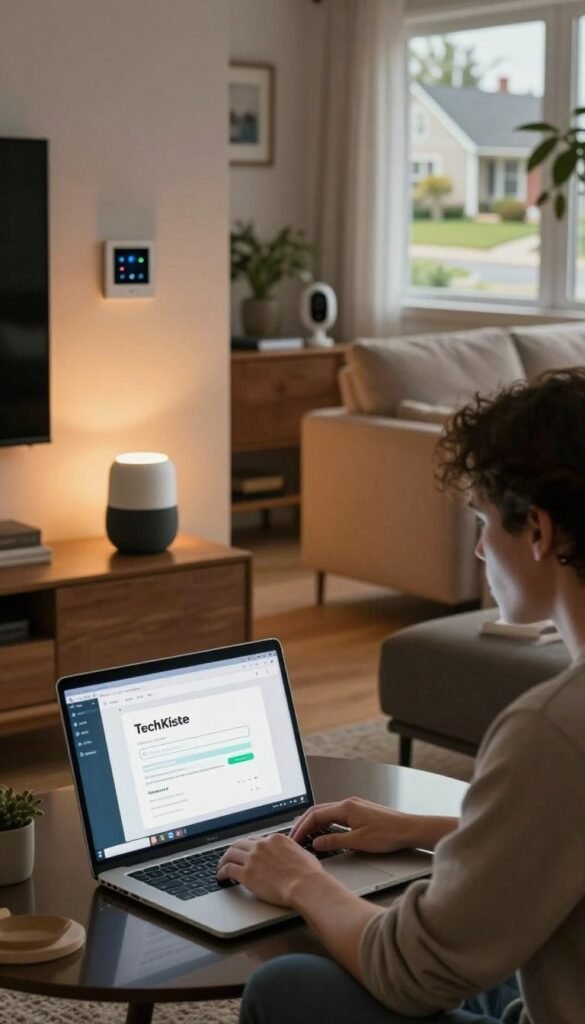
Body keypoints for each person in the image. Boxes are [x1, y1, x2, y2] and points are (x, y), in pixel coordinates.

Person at [217, 369, 585, 1024]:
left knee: (287, 987)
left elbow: (411, 971)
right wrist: (427, 830)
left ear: (536, 529)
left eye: (481, 520)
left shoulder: (553, 727)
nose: (477, 547)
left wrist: (299, 880)